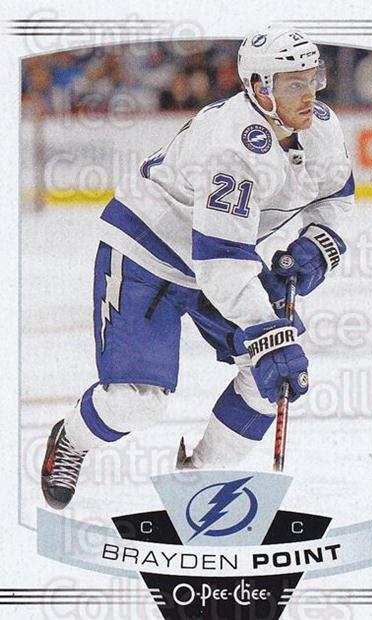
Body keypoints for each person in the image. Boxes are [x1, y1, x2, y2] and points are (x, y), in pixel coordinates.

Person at [41, 25, 354, 510]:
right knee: (136, 404)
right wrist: (270, 332)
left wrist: (318, 243)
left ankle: (198, 480)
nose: (309, 93)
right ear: (260, 88)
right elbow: (222, 263)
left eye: (313, 78)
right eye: (294, 83)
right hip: (147, 253)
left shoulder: (322, 128)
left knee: (271, 382)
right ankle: (72, 438)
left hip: (218, 258)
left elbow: (335, 197)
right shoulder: (232, 146)